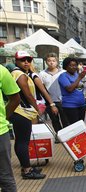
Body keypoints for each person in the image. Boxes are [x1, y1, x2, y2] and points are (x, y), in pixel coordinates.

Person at [9, 51, 46, 180]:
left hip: (19, 111)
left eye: (28, 60)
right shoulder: (20, 75)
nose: (26, 62)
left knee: (20, 140)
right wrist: (37, 109)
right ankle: (27, 170)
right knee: (23, 142)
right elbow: (28, 95)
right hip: (21, 112)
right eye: (22, 60)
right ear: (16, 61)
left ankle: (26, 166)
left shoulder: (18, 73)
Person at [0, 64, 22, 192]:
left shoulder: (1, 71)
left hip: (0, 132)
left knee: (5, 176)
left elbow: (15, 99)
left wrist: (3, 118)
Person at [39, 53, 67, 134]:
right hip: (50, 101)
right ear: (46, 62)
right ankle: (59, 135)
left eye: (54, 61)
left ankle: (66, 136)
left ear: (57, 62)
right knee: (54, 120)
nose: (51, 63)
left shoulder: (63, 73)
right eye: (49, 61)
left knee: (65, 119)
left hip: (62, 101)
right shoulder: (42, 74)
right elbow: (42, 88)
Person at [58, 57, 86, 125]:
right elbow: (69, 89)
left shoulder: (76, 75)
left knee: (80, 126)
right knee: (74, 127)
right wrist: (79, 78)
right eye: (71, 65)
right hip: (70, 106)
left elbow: (80, 86)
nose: (73, 67)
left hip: (81, 105)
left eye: (75, 65)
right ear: (66, 66)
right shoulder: (63, 76)